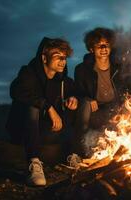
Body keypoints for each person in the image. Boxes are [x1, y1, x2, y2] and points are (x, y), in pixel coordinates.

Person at [6, 37, 82, 186]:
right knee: (32, 107)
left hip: (48, 132)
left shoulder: (64, 81)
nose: (62, 61)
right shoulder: (28, 72)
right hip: (23, 131)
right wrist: (48, 107)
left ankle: (71, 154)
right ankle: (33, 164)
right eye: (57, 56)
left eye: (64, 57)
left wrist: (74, 99)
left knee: (75, 105)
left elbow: (78, 92)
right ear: (44, 57)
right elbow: (16, 91)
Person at [74, 27, 129, 149]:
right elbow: (78, 92)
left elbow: (127, 88)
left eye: (106, 45)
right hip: (95, 111)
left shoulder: (119, 67)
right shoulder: (81, 69)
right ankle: (78, 149)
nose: (104, 48)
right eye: (99, 45)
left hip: (115, 109)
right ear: (91, 49)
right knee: (84, 104)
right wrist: (88, 99)